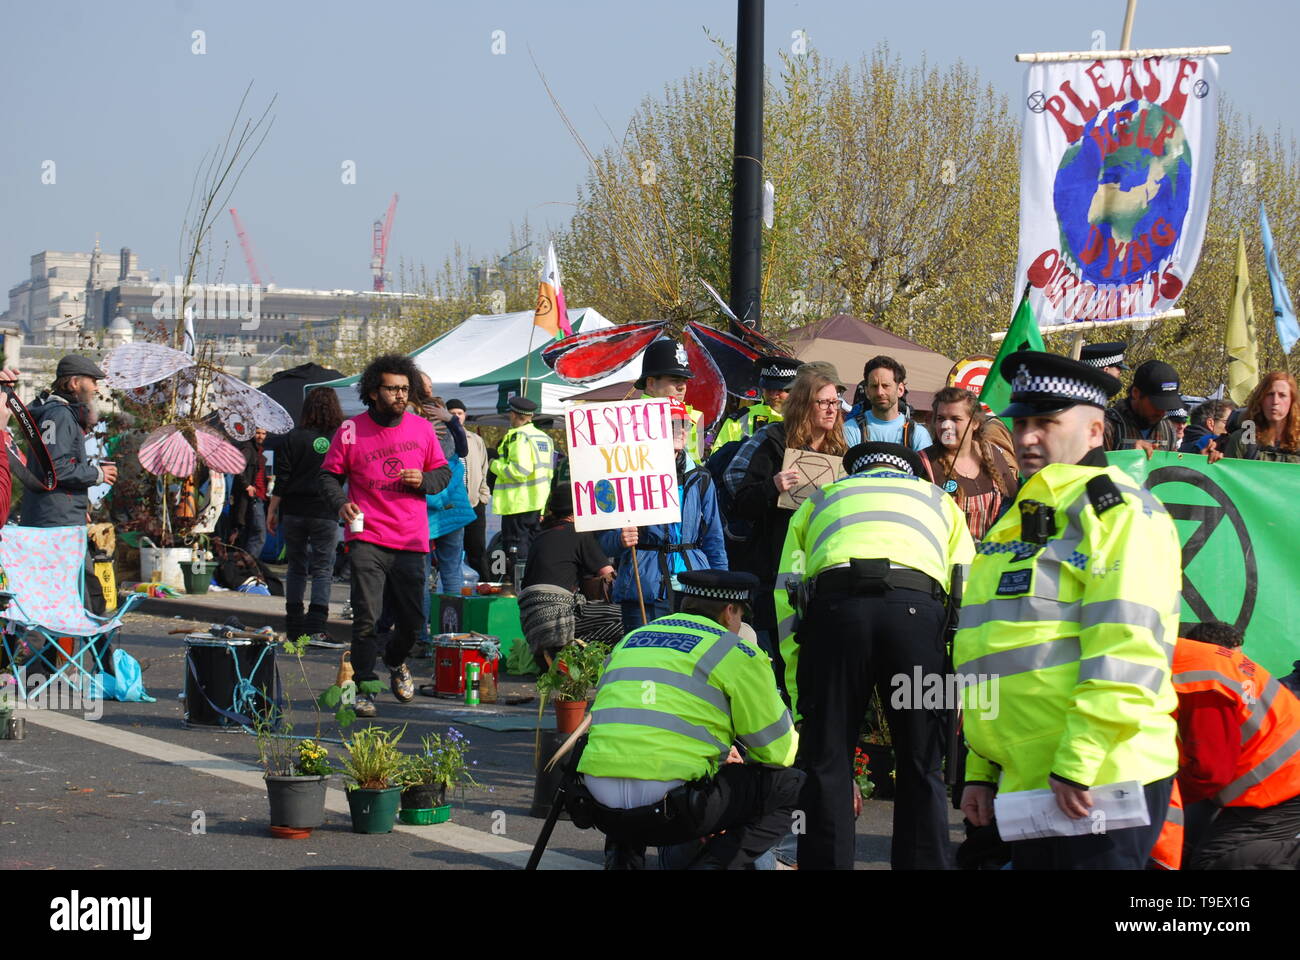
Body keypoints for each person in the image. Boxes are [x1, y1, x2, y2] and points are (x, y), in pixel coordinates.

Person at [956, 351, 1180, 870]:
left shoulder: (1119, 513)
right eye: (1022, 423)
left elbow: (1127, 655)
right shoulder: (1021, 516)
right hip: (1032, 779)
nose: (1028, 437)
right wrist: (981, 770)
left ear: (1096, 430)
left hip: (1097, 776)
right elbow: (991, 654)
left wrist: (1078, 763)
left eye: (1046, 423)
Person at [775, 442, 975, 869]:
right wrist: (960, 682)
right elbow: (967, 591)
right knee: (921, 761)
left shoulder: (819, 500)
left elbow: (786, 595)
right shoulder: (939, 500)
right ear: (909, 470)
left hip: (835, 615)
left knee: (826, 761)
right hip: (916, 618)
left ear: (853, 471)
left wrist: (799, 686)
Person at [573, 570, 804, 870]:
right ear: (730, 610)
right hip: (673, 810)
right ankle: (712, 865)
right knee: (793, 786)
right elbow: (779, 752)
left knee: (633, 753)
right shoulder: (735, 651)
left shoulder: (631, 640)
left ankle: (623, 859)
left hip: (599, 804)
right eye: (741, 616)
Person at [319, 354, 450, 718]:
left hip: (410, 538)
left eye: (405, 389)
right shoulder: (350, 430)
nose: (400, 395)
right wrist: (340, 503)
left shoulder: (422, 429)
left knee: (412, 621)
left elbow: (442, 473)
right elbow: (328, 476)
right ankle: (364, 687)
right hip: (367, 536)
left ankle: (394, 660)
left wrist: (423, 480)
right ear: (374, 391)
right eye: (392, 389)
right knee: (366, 617)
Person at [725, 366, 847, 685]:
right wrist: (773, 486)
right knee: (777, 658)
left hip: (819, 566)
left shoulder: (840, 449)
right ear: (804, 404)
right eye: (824, 402)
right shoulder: (772, 440)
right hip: (774, 568)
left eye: (835, 402)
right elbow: (739, 496)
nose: (832, 409)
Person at [1170, 623, 1300, 869]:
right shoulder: (1205, 665)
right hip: (1278, 780)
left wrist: (1164, 799)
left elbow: (1210, 772)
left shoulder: (1200, 681)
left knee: (1213, 861)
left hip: (1283, 783)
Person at [601, 401, 727, 634]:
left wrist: (722, 587)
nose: (681, 431)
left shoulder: (701, 477)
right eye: (671, 424)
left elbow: (714, 538)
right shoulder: (628, 476)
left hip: (693, 588)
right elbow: (603, 542)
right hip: (644, 588)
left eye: (684, 425)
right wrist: (619, 539)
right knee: (643, 654)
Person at [18, 356, 117, 615]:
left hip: (57, 513)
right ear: (74, 383)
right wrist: (97, 474)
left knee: (62, 592)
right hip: (57, 522)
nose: (96, 388)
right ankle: (84, 639)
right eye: (92, 381)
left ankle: (72, 638)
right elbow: (57, 468)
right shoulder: (60, 415)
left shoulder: (54, 413)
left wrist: (78, 505)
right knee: (81, 593)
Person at [268, 386, 345, 648]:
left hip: (293, 509)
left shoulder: (293, 437)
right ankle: (316, 628)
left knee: (296, 567)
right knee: (323, 569)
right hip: (325, 510)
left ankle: (294, 626)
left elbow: (282, 477)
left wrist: (272, 510)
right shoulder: (339, 437)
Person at [519, 485, 614, 667]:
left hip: (532, 625)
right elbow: (608, 575)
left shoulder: (540, 536)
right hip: (558, 618)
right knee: (622, 616)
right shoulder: (580, 534)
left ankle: (557, 658)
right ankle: (582, 661)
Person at [919, 386, 1020, 540]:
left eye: (955, 419)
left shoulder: (993, 454)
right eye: (941, 419)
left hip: (992, 552)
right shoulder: (924, 463)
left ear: (975, 423)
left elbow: (1014, 507)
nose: (946, 425)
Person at [490, 395, 553, 582]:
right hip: (536, 503)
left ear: (513, 414)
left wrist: (494, 465)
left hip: (517, 503)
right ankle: (533, 584)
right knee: (533, 547)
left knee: (515, 551)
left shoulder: (519, 437)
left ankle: (518, 589)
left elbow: (520, 471)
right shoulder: (543, 438)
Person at [843, 355, 932, 450]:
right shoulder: (851, 430)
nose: (880, 392)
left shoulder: (917, 434)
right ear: (867, 391)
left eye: (885, 386)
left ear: (900, 390)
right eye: (874, 386)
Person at [1211, 371, 1300, 464]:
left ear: (1292, 401)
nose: (1275, 401)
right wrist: (1216, 462)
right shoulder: (1243, 440)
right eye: (1270, 394)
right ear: (1261, 399)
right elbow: (1229, 472)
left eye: (1282, 395)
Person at [711, 355, 798, 450]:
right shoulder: (740, 420)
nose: (773, 395)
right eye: (769, 389)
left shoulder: (805, 420)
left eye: (780, 389)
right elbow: (719, 455)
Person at [447, 398, 492, 581]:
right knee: (451, 550)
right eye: (452, 413)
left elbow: (484, 468)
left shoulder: (475, 440)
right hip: (451, 505)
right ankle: (452, 587)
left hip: (474, 503)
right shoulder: (441, 437)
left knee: (477, 549)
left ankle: (484, 585)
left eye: (460, 413)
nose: (456, 416)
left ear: (465, 415)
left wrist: (483, 496)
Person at [636, 338, 703, 459]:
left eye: (685, 381)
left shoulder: (693, 417)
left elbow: (696, 464)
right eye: (675, 380)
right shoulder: (627, 419)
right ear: (651, 383)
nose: (682, 387)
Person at [1102, 358, 1182, 453]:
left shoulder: (1168, 430)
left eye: (1167, 406)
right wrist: (1127, 457)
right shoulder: (1108, 427)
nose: (1161, 411)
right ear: (1135, 393)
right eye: (1156, 404)